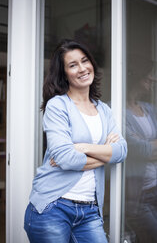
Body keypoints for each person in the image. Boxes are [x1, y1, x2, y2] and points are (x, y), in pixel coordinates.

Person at [24, 39, 127, 243]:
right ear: (64, 74)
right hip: (54, 207)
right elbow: (66, 159)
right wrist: (106, 153)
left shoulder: (104, 110)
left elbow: (122, 151)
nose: (82, 68)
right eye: (73, 65)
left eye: (84, 61)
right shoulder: (57, 106)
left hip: (90, 210)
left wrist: (83, 148)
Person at [125, 58, 157, 242]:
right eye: (149, 75)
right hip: (138, 196)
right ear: (137, 77)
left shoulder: (149, 109)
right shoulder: (116, 109)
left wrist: (144, 147)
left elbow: (142, 149)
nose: (153, 79)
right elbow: (137, 149)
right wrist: (145, 147)